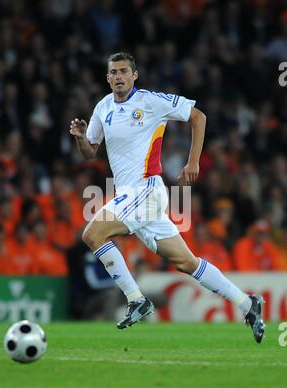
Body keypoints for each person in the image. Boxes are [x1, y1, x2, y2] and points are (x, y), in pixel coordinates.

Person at [70, 52, 265, 343]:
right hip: (129, 194)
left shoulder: (150, 101)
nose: (119, 76)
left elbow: (198, 117)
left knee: (93, 234)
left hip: (146, 189)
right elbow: (90, 153)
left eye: (124, 71)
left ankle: (135, 299)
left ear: (134, 75)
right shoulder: (103, 107)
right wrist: (81, 137)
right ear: (107, 77)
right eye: (114, 72)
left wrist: (193, 161)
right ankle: (247, 304)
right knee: (185, 262)